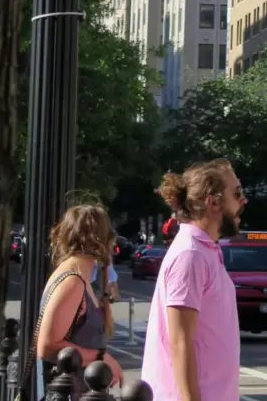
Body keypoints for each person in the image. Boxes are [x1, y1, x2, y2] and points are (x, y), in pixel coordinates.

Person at [141, 159, 247, 401]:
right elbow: (180, 343)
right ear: (213, 201)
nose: (244, 201)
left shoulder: (205, 250)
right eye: (237, 193)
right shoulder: (191, 254)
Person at [34, 203, 123, 389]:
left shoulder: (79, 278)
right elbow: (47, 347)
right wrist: (101, 357)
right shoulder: (72, 283)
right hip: (68, 391)